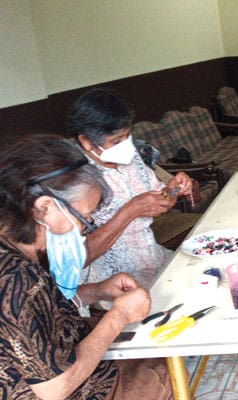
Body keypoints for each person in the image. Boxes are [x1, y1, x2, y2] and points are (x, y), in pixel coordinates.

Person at [0, 134, 171, 399]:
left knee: (153, 342)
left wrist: (97, 291)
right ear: (44, 207)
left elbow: (41, 311)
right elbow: (54, 389)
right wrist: (120, 316)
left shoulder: (19, 246)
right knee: (164, 371)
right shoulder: (14, 277)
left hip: (68, 347)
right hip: (61, 388)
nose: (84, 228)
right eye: (85, 218)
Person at [67, 88, 193, 289]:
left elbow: (161, 199)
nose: (126, 145)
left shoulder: (131, 158)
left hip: (152, 262)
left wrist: (173, 189)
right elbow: (73, 261)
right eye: (116, 141)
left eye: (127, 136)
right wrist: (130, 210)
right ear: (86, 141)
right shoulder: (71, 179)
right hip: (110, 285)